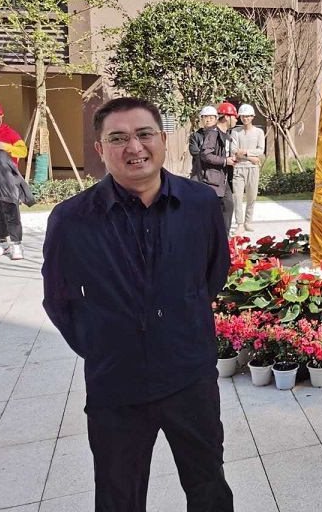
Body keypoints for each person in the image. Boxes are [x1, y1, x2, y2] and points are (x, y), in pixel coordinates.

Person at [41, 97, 233, 512]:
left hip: (189, 376)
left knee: (208, 485)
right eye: (118, 138)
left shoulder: (200, 203)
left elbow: (214, 273)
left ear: (162, 139)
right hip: (117, 384)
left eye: (145, 134)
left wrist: (182, 325)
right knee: (118, 496)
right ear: (100, 148)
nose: (134, 147)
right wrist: (102, 345)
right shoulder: (72, 219)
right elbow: (59, 299)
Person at [0, 102, 28, 260]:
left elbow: (23, 151)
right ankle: (3, 243)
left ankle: (17, 245)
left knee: (11, 212)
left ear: (1, 117)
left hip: (8, 181)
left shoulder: (10, 134)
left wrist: (6, 147)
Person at [199, 102, 237, 234]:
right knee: (214, 213)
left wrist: (231, 159)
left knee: (228, 207)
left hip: (224, 179)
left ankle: (224, 239)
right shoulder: (213, 133)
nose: (236, 120)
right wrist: (225, 161)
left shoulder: (227, 135)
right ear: (227, 117)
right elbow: (205, 154)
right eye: (234, 117)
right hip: (213, 180)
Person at [230, 103, 265, 235]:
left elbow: (260, 150)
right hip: (239, 168)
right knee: (237, 197)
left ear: (252, 117)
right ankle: (240, 224)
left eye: (248, 116)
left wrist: (244, 153)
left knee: (252, 196)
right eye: (243, 116)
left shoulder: (259, 132)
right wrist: (250, 157)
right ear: (240, 117)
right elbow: (234, 150)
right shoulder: (235, 132)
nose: (245, 118)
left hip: (253, 169)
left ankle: (248, 222)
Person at [189, 106, 218, 180]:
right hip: (198, 172)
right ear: (201, 119)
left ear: (216, 120)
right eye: (205, 117)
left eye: (211, 118)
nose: (208, 120)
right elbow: (194, 152)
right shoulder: (196, 135)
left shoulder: (219, 136)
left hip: (215, 173)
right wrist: (210, 156)